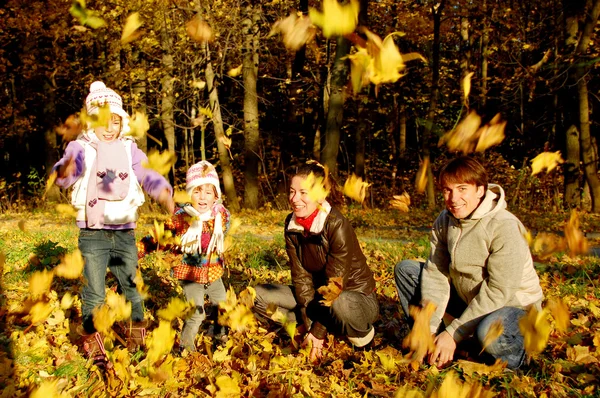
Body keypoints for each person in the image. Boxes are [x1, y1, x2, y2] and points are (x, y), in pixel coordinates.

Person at [52, 81, 175, 365]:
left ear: (123, 122)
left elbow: (149, 176)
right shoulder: (81, 146)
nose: (110, 128)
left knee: (131, 284)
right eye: (104, 121)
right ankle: (93, 341)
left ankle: (135, 334)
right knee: (94, 288)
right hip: (92, 233)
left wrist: (165, 195)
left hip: (124, 232)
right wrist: (65, 171)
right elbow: (68, 170)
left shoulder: (129, 148)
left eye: (116, 121)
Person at [394, 156, 543, 370]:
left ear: (480, 190)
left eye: (462, 189)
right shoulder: (445, 221)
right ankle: (442, 346)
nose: (454, 198)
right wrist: (430, 328)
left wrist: (454, 333)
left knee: (489, 330)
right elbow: (436, 274)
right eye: (447, 190)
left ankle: (516, 363)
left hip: (514, 309)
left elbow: (499, 292)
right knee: (407, 271)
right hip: (471, 300)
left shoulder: (504, 226)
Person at [254, 161, 379, 361]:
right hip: (316, 296)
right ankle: (309, 328)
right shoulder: (291, 224)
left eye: (303, 193)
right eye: (292, 192)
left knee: (340, 302)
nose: (295, 199)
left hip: (354, 298)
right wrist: (310, 324)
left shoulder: (337, 225)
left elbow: (333, 289)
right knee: (258, 296)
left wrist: (318, 332)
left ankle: (363, 340)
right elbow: (301, 278)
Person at [138, 160, 230, 352]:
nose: (202, 197)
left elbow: (221, 237)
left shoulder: (220, 217)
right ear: (189, 195)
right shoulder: (181, 218)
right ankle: (186, 348)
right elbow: (159, 236)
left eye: (207, 192)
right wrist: (139, 249)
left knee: (222, 306)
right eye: (197, 191)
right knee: (196, 314)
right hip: (189, 275)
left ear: (216, 195)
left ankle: (219, 335)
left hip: (213, 272)